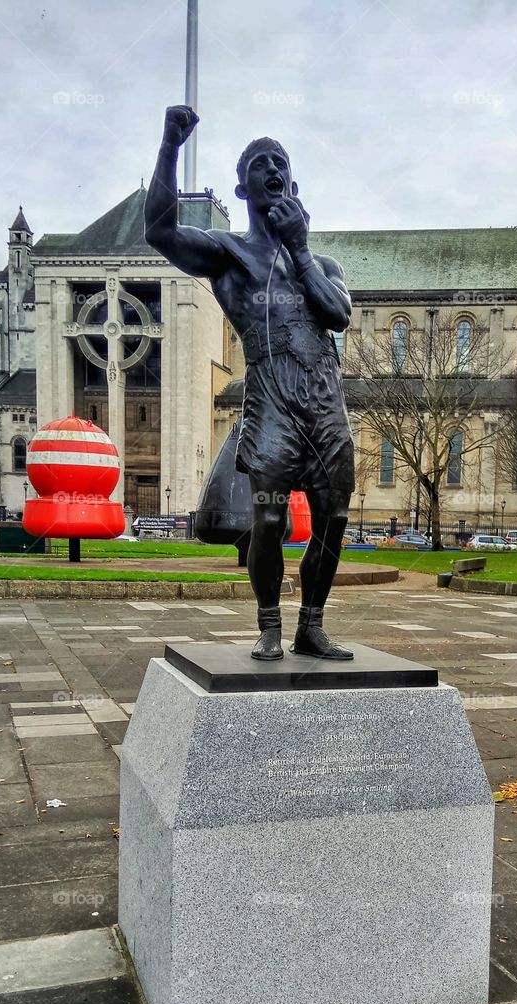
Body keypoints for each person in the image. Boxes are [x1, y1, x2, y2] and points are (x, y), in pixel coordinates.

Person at [145, 106, 355, 661]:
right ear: (243, 188)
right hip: (272, 395)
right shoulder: (229, 253)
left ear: (292, 181)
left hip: (324, 396)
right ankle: (268, 624)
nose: (271, 169)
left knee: (333, 516)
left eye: (280, 163)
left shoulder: (323, 262)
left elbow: (338, 316)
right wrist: (169, 146)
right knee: (268, 515)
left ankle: (311, 625)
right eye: (260, 164)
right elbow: (160, 230)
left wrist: (302, 250)